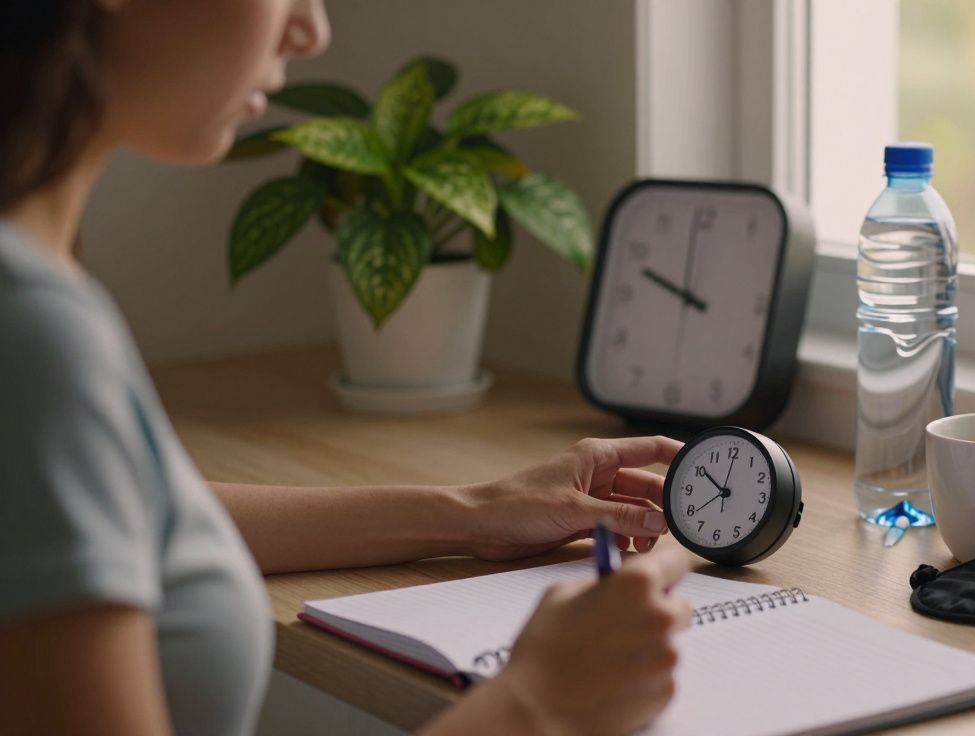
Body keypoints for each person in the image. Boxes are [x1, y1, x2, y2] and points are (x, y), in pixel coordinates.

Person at [0, 2, 692, 734]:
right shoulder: (30, 331)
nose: (311, 31)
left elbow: (136, 516)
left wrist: (474, 513)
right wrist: (540, 703)